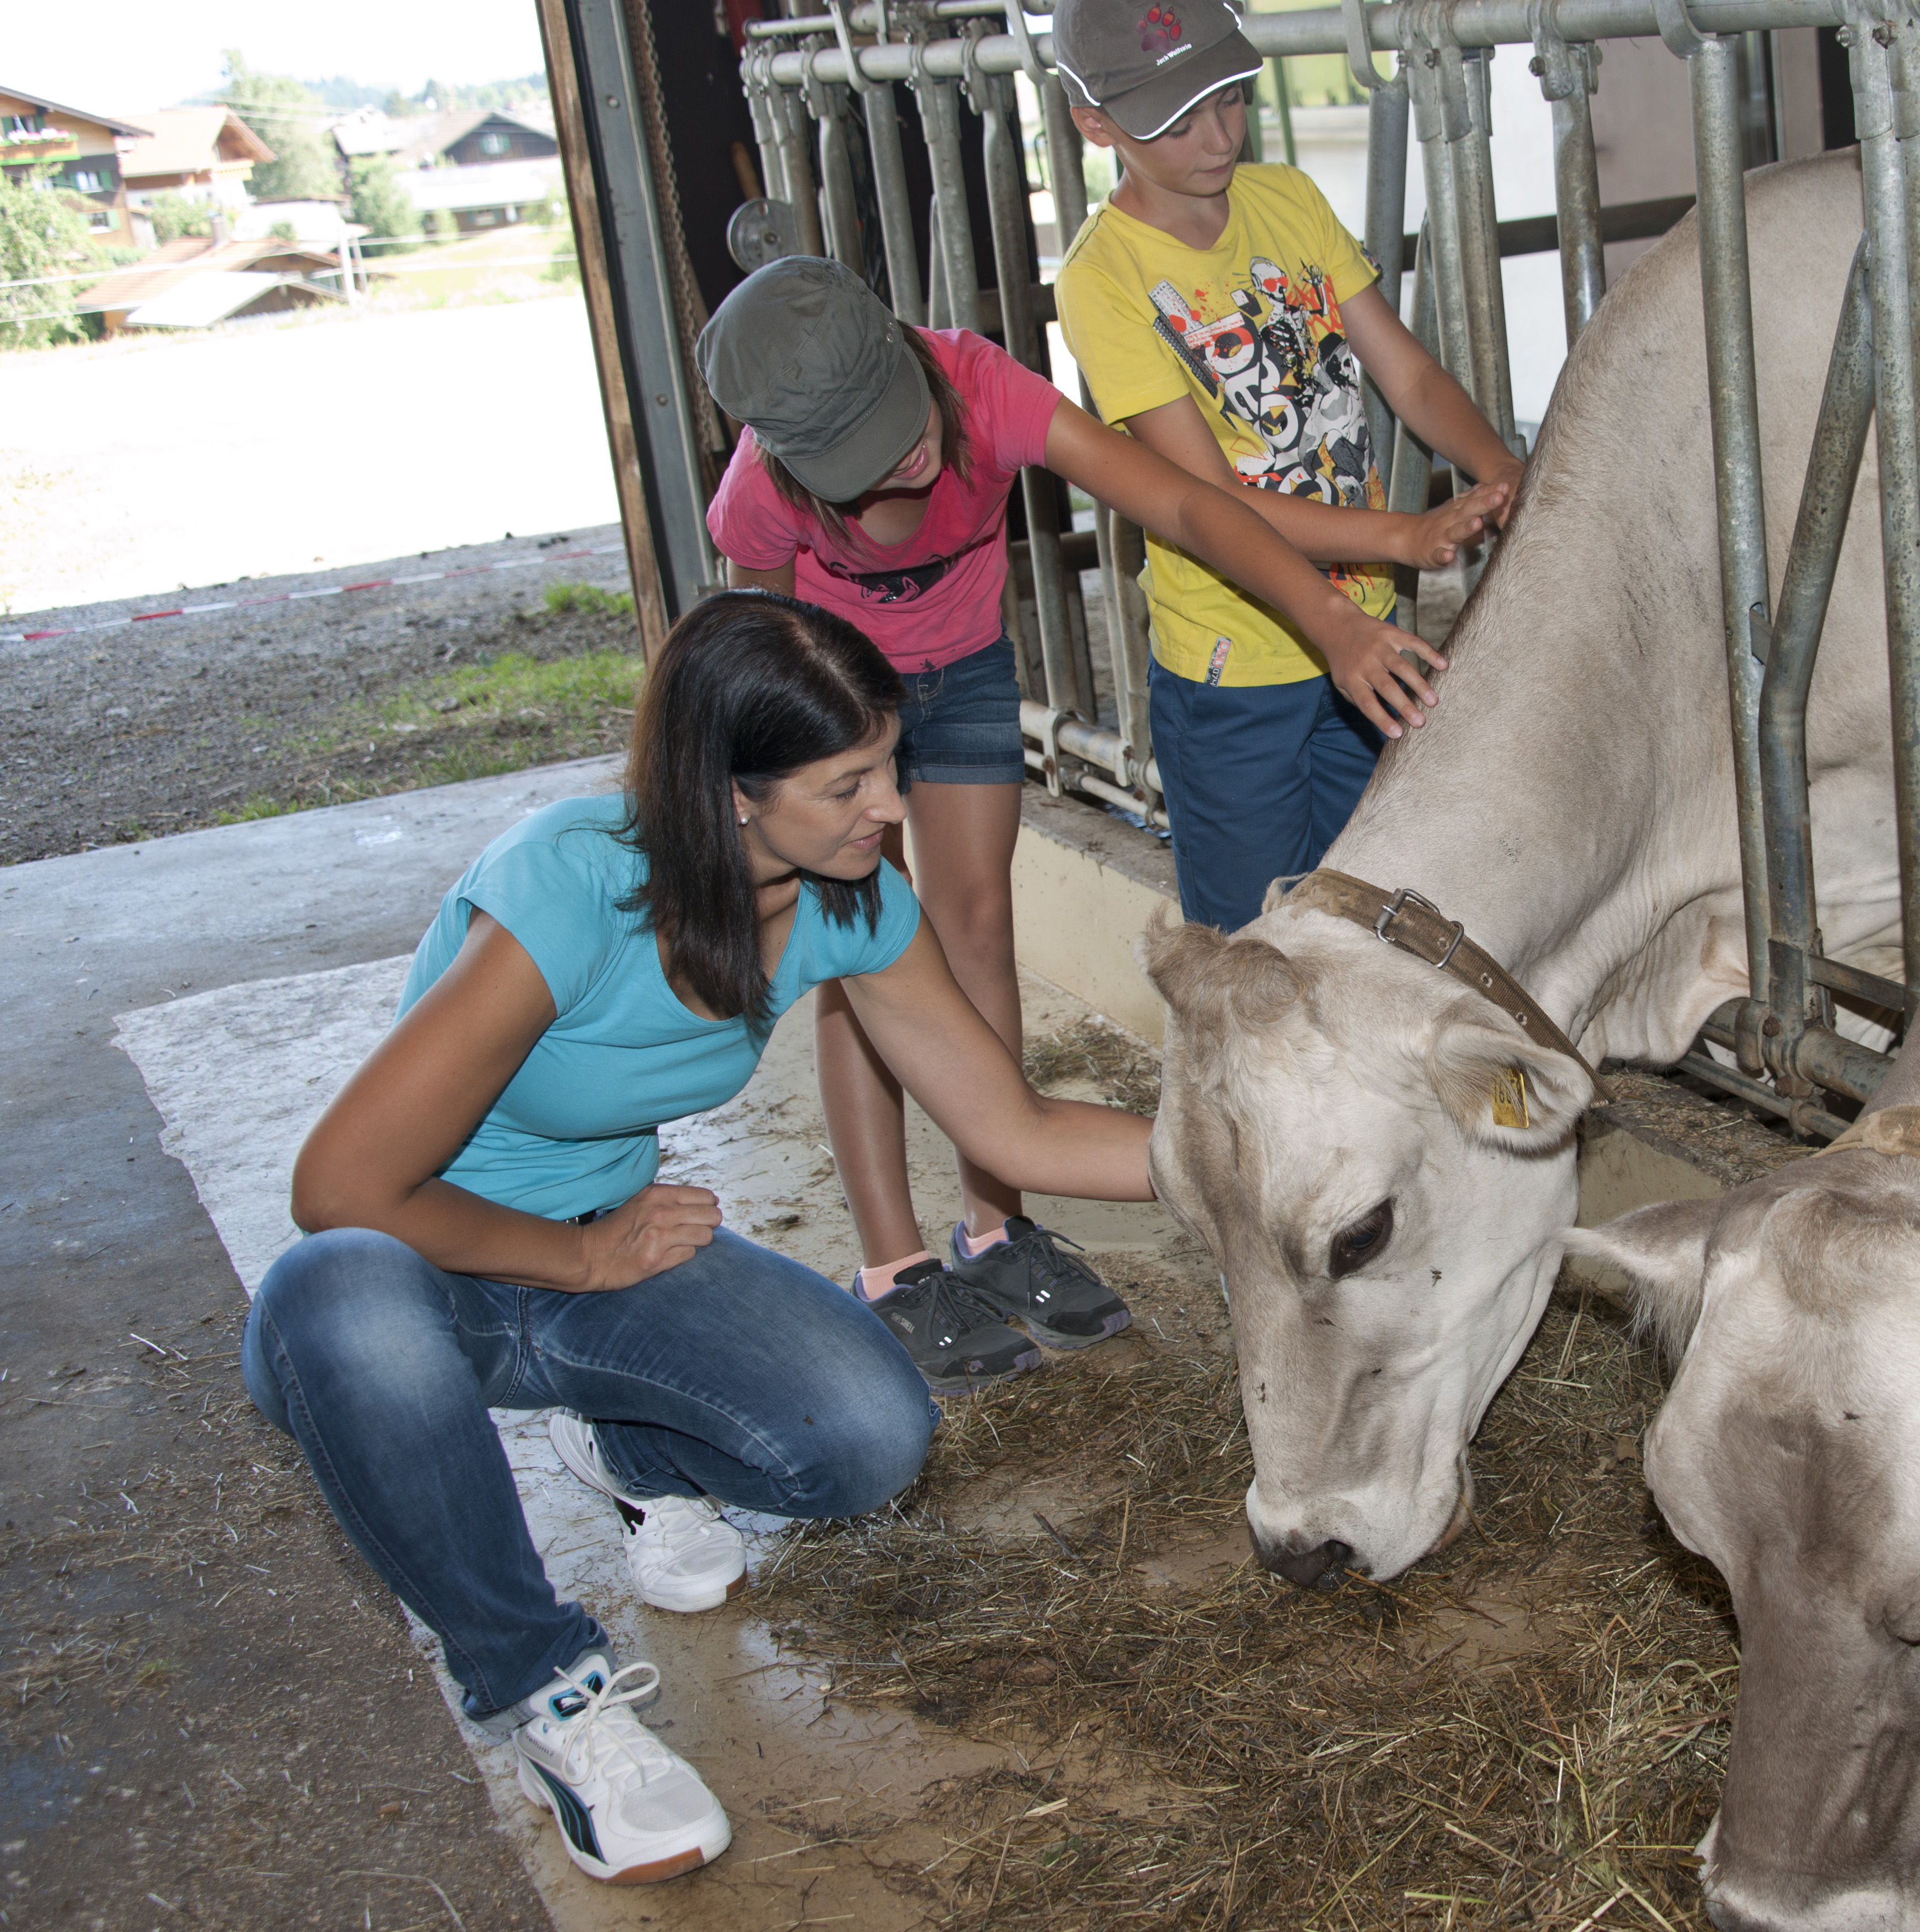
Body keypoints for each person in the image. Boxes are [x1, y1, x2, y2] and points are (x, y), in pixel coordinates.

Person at [241, 591, 1154, 1885]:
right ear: (731, 794)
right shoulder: (570, 887)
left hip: (611, 1264)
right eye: (845, 784)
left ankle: (628, 1444)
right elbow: (338, 1186)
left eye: (888, 765)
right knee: (338, 1298)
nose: (887, 806)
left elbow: (1015, 1124)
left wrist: (1236, 1153)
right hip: (436, 1272)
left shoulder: (850, 903)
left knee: (870, 1437)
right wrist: (579, 1259)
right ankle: (546, 1696)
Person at [697, 255, 1456, 1383]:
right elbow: (760, 645)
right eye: (851, 455)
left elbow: (1187, 501)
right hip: (840, 709)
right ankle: (891, 1265)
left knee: (975, 923)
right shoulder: (762, 492)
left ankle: (994, 1225)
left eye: (892, 422)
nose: (896, 457)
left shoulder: (980, 389)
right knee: (857, 954)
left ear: (902, 349)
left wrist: (1333, 618)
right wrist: (802, 789)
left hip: (962, 672)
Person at [1050, 0, 1527, 934]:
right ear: (1094, 125)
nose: (1216, 136)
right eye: (1177, 122)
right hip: (1235, 669)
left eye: (1228, 98)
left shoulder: (1289, 202)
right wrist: (1404, 533)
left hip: (1371, 631)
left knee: (1384, 916)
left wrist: (1502, 470)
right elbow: (1211, 501)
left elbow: (1409, 373)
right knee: (1256, 947)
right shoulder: (1101, 279)